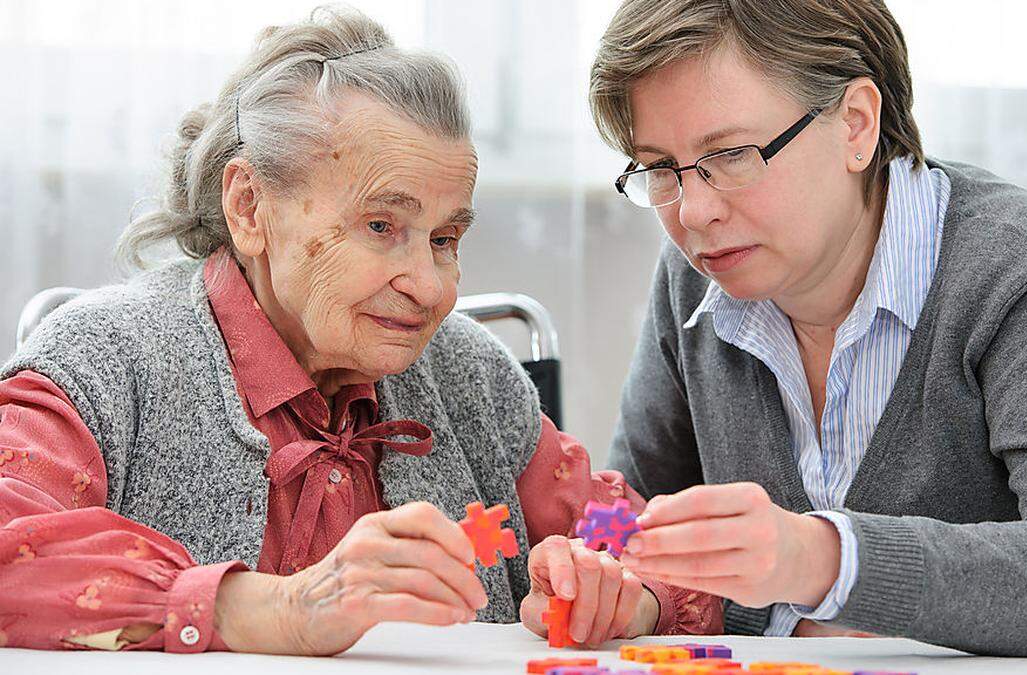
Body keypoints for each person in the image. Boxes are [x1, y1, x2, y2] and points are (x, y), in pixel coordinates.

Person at [0, 7, 720, 655]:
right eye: (382, 226)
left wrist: (621, 586)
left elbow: (627, 534)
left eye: (444, 238)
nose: (432, 287)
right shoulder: (105, 361)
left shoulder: (470, 376)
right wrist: (272, 608)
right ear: (250, 206)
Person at [587, 0, 1027, 656]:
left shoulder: (1024, 272)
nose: (696, 211)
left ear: (856, 125)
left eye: (731, 154)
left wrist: (823, 558)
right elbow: (636, 519)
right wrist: (612, 583)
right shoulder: (693, 278)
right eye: (658, 168)